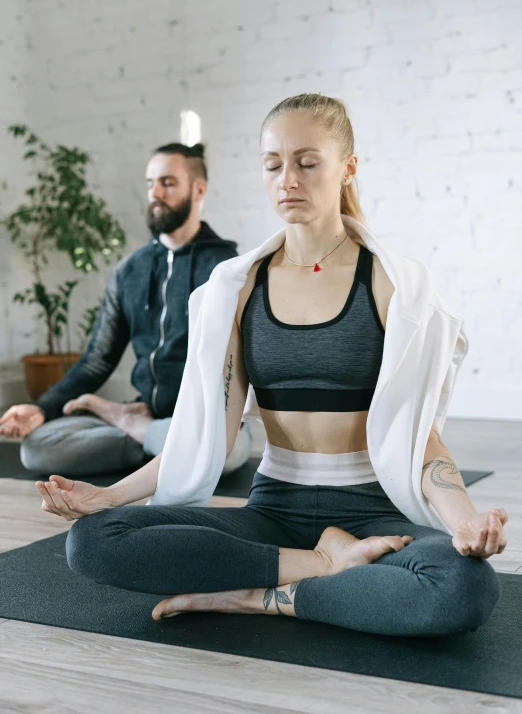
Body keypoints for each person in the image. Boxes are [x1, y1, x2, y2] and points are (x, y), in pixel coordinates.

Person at [35, 94, 507, 638]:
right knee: (94, 540)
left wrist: (465, 522)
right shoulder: (237, 288)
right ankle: (323, 567)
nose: (289, 179)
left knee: (464, 587)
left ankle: (259, 597)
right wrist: (109, 496)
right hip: (273, 512)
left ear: (347, 168)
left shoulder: (390, 284)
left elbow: (421, 441)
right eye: (273, 164)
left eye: (307, 163)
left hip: (374, 514)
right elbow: (203, 432)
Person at [0, 142, 253, 477]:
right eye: (150, 184)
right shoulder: (129, 271)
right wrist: (41, 409)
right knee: (38, 450)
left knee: (230, 453)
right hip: (145, 410)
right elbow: (97, 359)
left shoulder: (226, 269)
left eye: (167, 183)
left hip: (206, 419)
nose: (155, 194)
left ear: (198, 189)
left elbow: (244, 362)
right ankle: (162, 445)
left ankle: (151, 438)